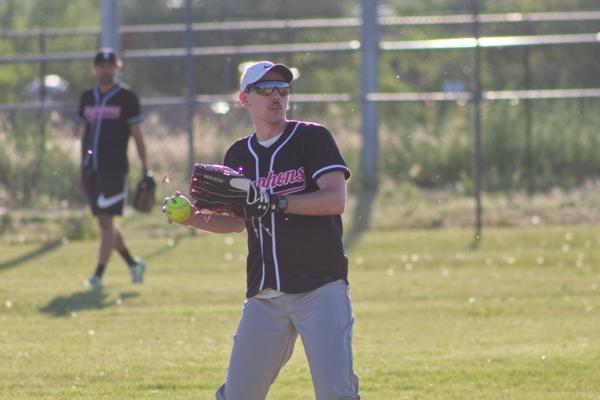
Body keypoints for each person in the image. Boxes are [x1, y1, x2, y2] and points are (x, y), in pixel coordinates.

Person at [164, 61, 360, 400]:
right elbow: (238, 221)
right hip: (265, 292)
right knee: (239, 394)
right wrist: (192, 218)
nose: (276, 96)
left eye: (282, 89)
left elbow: (334, 200)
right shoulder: (239, 154)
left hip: (320, 287)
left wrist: (275, 201)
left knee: (335, 393)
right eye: (265, 89)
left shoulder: (312, 138)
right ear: (245, 98)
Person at [76, 49, 148, 288]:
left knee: (106, 223)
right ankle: (133, 264)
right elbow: (84, 135)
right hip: (91, 169)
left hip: (114, 170)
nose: (105, 70)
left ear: (117, 68)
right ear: (94, 69)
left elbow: (137, 136)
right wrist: (81, 169)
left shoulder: (126, 97)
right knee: (104, 223)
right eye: (101, 66)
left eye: (110, 66)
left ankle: (98, 276)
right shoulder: (88, 97)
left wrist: (145, 168)